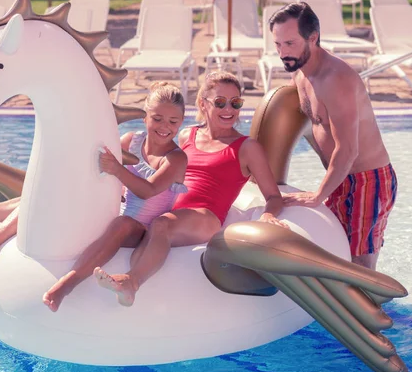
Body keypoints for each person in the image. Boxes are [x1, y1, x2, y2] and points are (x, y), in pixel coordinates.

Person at [0, 82, 188, 311]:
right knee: (54, 193)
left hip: (142, 230)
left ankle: (68, 283)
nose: (165, 127)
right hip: (117, 213)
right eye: (158, 118)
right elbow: (93, 165)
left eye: (173, 121)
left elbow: (147, 190)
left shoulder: (176, 158)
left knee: (123, 224)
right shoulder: (131, 140)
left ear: (182, 121)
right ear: (145, 117)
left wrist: (116, 169)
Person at [94, 71, 289, 307]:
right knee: (144, 231)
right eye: (220, 102)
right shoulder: (188, 134)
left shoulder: (247, 147)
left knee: (161, 224)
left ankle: (131, 282)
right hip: (170, 213)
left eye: (236, 103)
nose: (229, 109)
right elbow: (156, 168)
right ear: (202, 104)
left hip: (205, 216)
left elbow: (272, 195)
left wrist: (268, 214)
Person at [268, 2, 397, 270]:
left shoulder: (335, 79)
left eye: (289, 43)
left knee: (359, 266)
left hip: (367, 181)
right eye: (278, 44)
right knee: (336, 256)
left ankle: (376, 310)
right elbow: (315, 127)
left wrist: (317, 195)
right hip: (339, 178)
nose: (283, 53)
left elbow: (348, 150)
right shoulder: (301, 75)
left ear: (312, 38)